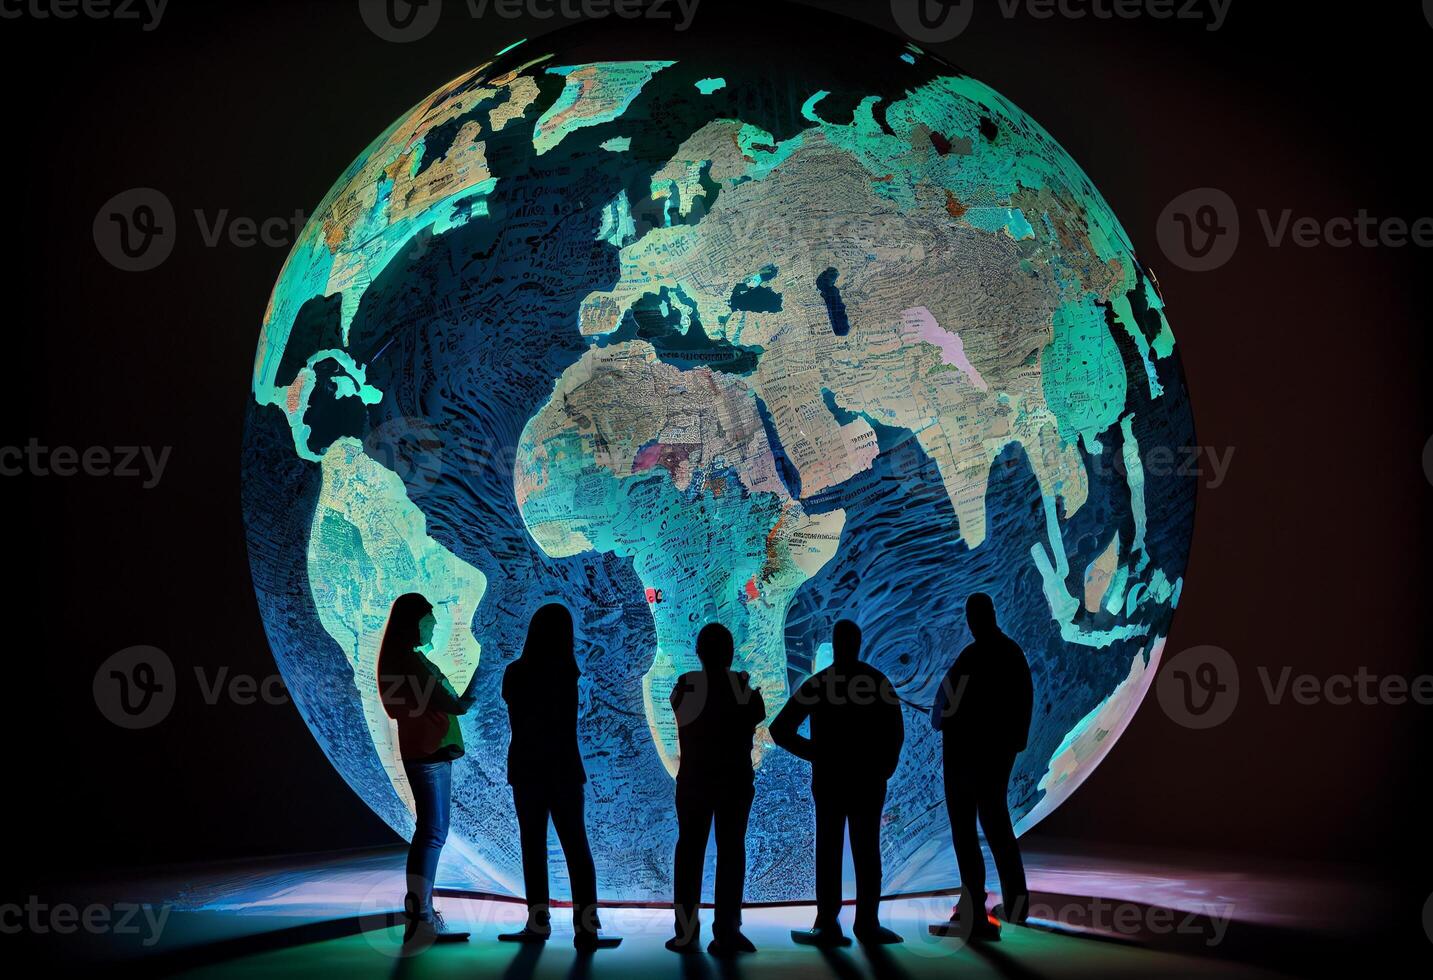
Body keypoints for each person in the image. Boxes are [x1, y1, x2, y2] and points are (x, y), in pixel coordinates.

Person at [770, 619, 904, 947]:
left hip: (830, 781)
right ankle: (867, 924)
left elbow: (780, 730)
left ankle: (828, 924)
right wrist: (884, 767)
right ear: (858, 644)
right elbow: (895, 732)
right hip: (868, 782)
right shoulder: (875, 682)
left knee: (829, 852)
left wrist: (815, 753)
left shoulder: (821, 683)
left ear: (837, 643)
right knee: (867, 852)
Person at [497, 603, 621, 950]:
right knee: (577, 849)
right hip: (564, 769)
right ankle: (586, 930)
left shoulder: (515, 673)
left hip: (526, 769)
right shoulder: (568, 673)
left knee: (532, 847)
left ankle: (538, 925)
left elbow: (517, 712)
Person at [376, 592, 477, 950]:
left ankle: (421, 917)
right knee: (432, 833)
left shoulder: (403, 660)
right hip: (428, 753)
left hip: (426, 751)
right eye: (428, 619)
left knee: (431, 832)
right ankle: (421, 919)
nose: (434, 625)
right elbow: (455, 704)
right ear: (413, 623)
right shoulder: (409, 663)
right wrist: (486, 668)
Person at [931, 593, 1034, 942]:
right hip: (998, 755)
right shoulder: (1012, 653)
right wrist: (1013, 743)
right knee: (997, 824)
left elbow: (941, 709)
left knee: (964, 829)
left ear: (974, 618)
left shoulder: (971, 657)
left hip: (963, 758)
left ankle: (972, 907)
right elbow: (1023, 704)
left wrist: (949, 720)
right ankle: (1017, 905)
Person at [666, 623, 766, 956]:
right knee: (732, 852)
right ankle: (727, 931)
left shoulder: (687, 685)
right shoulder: (740, 688)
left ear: (699, 653)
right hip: (734, 782)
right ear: (730, 653)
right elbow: (758, 712)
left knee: (689, 853)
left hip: (694, 780)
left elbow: (677, 705)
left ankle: (685, 932)